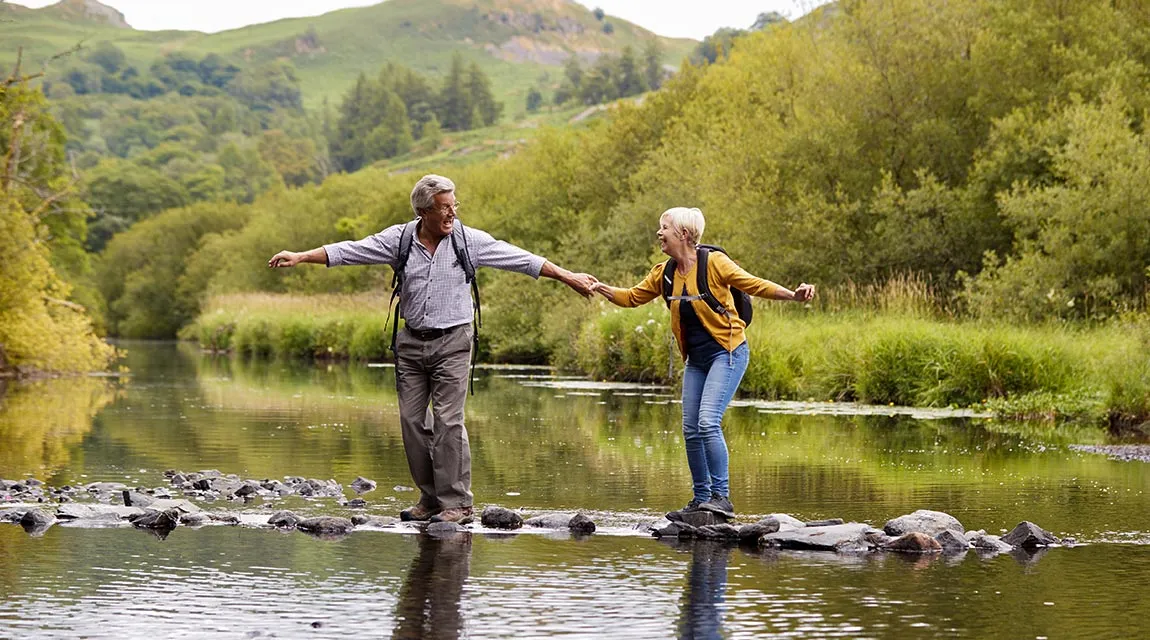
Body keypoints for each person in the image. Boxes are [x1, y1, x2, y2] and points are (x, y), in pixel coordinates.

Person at [269, 174, 597, 524]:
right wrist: (302, 256)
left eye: (454, 206)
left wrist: (568, 276)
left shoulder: (467, 241)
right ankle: (430, 498)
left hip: (454, 342)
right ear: (423, 211)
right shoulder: (399, 239)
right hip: (410, 343)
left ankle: (458, 503)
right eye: (444, 208)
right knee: (412, 422)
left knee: (448, 421)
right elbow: (352, 250)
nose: (452, 214)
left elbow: (519, 258)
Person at [591, 207, 813, 520]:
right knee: (691, 429)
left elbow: (754, 284)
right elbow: (631, 297)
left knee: (707, 421)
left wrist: (794, 296)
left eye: (664, 227)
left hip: (728, 352)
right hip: (696, 360)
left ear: (683, 234)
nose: (659, 233)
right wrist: (599, 288)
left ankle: (722, 498)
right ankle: (701, 499)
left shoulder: (715, 263)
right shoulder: (663, 273)